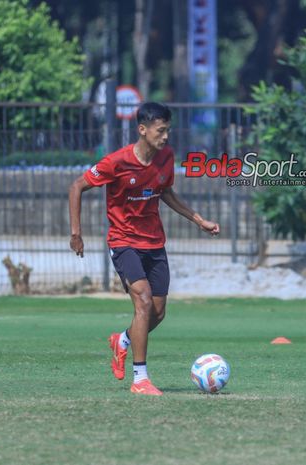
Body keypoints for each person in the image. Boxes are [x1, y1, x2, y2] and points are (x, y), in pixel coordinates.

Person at [69, 102, 220, 396]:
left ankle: (122, 340)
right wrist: (76, 233)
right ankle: (140, 380)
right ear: (143, 129)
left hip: (154, 241)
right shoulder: (117, 162)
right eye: (160, 131)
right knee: (143, 301)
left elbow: (165, 192)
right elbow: (76, 186)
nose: (165, 136)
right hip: (123, 241)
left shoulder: (166, 158)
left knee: (158, 313)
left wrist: (198, 219)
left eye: (168, 131)